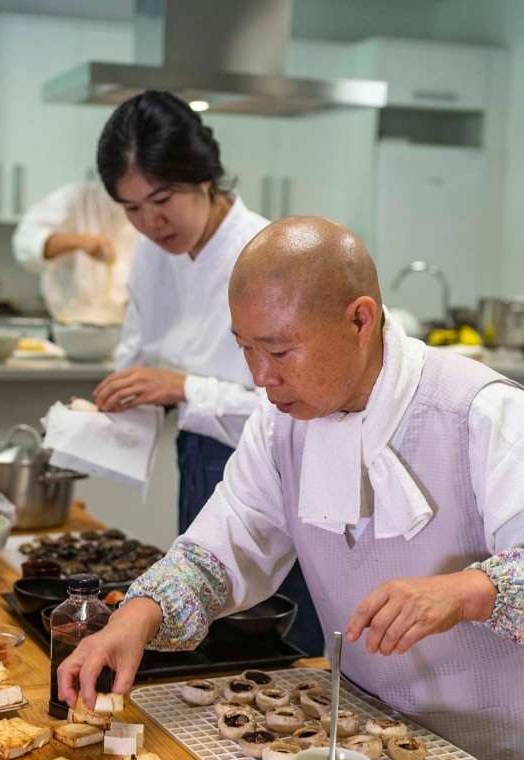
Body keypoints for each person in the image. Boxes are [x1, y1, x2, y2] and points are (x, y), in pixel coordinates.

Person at [61, 216, 524, 760]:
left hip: (517, 746)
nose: (262, 376)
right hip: (378, 739)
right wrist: (139, 615)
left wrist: (468, 588)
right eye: (245, 349)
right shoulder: (280, 424)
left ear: (360, 319)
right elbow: (221, 547)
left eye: (282, 351)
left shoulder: (481, 412)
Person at [90, 90, 322, 656]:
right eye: (131, 208)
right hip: (200, 454)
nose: (150, 222)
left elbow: (311, 407)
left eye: (161, 198)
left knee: (283, 641)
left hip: (284, 468)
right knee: (206, 625)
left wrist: (184, 387)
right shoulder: (153, 254)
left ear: (203, 176)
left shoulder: (267, 252)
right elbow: (138, 351)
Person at [12, 178, 137, 324]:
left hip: (130, 328)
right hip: (70, 324)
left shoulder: (152, 207)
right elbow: (25, 244)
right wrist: (80, 241)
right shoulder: (78, 198)